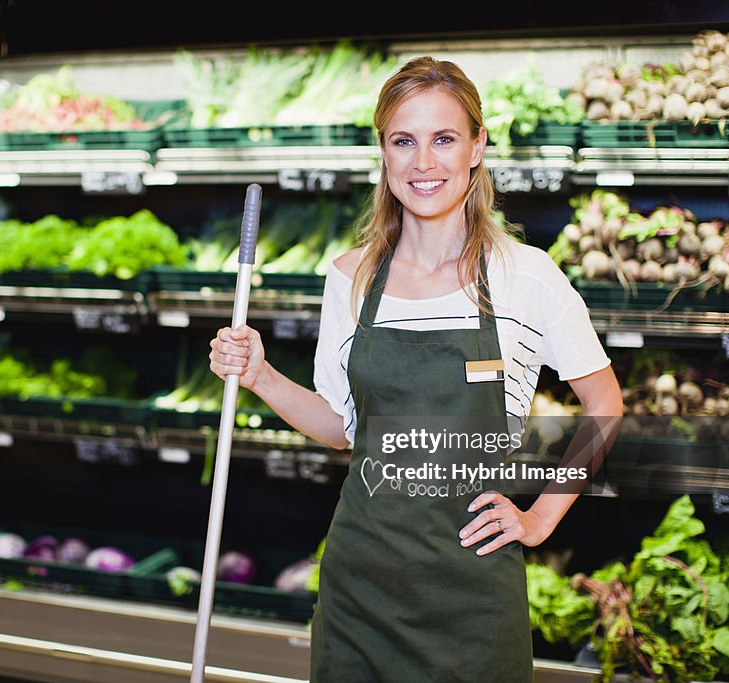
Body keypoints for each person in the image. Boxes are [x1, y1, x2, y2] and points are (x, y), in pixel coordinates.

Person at [208, 56, 623, 683]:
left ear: (477, 147)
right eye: (404, 141)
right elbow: (343, 427)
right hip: (360, 588)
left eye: (444, 139)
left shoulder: (527, 276)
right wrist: (262, 375)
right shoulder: (351, 277)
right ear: (383, 152)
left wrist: (539, 517)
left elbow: (604, 405)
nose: (423, 162)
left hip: (472, 597)